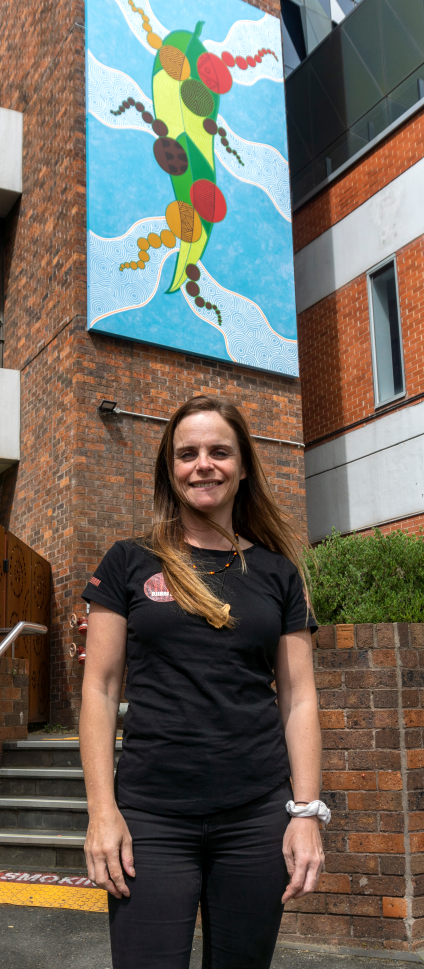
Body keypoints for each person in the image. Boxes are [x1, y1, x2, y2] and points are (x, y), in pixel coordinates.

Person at [79, 395, 326, 969]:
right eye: (187, 454)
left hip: (256, 814)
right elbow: (100, 688)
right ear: (171, 469)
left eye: (219, 451)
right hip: (151, 816)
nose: (203, 464)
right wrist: (100, 812)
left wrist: (306, 812)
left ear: (243, 467)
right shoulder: (128, 562)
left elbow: (298, 697)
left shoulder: (276, 572)